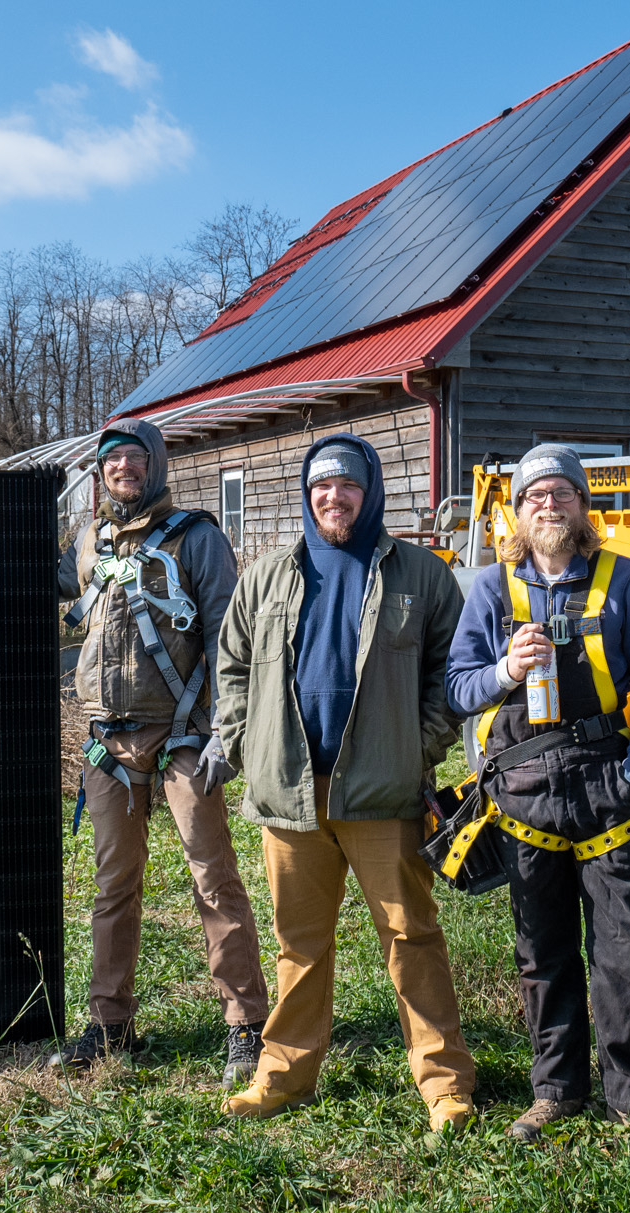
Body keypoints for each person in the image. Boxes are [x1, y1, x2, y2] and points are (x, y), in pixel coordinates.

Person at [214, 434, 477, 1133]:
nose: (334, 496)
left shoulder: (419, 573)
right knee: (299, 943)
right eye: (322, 485)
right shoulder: (268, 573)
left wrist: (415, 749)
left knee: (411, 935)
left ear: (371, 491)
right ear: (307, 493)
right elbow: (233, 662)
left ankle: (445, 1083)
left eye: (347, 484)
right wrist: (243, 739)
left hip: (382, 796)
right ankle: (284, 1075)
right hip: (292, 795)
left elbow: (449, 677)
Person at [446, 444, 630, 1142]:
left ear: (583, 506)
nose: (549, 504)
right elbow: (458, 689)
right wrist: (503, 672)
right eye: (535, 495)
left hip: (607, 786)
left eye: (562, 493)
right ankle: (556, 1090)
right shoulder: (492, 589)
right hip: (522, 792)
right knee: (542, 951)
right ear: (516, 512)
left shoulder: (625, 580)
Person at [55, 418, 270, 1077]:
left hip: (183, 738)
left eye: (134, 458)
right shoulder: (89, 540)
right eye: (111, 460)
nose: (123, 468)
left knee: (213, 875)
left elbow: (232, 641)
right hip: (106, 743)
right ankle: (110, 1021)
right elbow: (52, 581)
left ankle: (246, 1023)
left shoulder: (197, 539)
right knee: (112, 885)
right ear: (102, 472)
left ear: (156, 464)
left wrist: (227, 732)